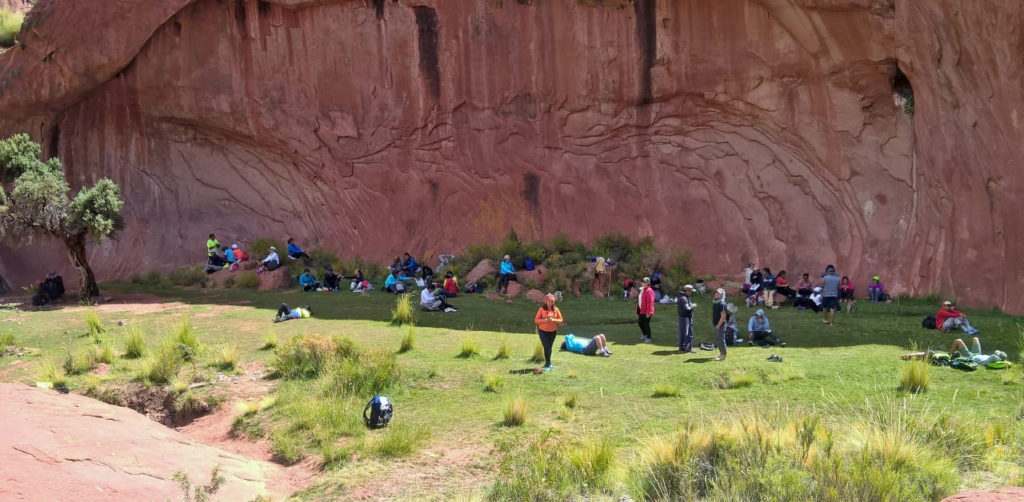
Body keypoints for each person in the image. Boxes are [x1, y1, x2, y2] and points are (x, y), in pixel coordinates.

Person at [534, 293, 564, 371]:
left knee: (549, 347)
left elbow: (561, 320)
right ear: (546, 301)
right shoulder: (541, 309)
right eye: (549, 301)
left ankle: (548, 363)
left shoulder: (556, 310)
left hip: (553, 332)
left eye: (552, 302)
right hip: (543, 332)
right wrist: (545, 320)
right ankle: (548, 363)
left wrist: (553, 320)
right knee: (546, 346)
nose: (550, 303)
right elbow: (536, 320)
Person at [677, 284, 697, 353]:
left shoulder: (683, 297)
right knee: (688, 333)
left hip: (682, 318)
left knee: (683, 332)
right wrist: (693, 306)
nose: (691, 293)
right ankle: (688, 348)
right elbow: (687, 309)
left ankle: (681, 347)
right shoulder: (684, 298)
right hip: (685, 318)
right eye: (690, 291)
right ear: (687, 291)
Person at [637, 277, 655, 343]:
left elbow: (650, 302)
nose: (643, 283)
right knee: (640, 322)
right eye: (642, 282)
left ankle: (649, 337)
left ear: (648, 283)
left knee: (646, 324)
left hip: (647, 311)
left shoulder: (649, 290)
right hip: (642, 310)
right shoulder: (643, 290)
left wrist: (649, 312)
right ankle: (645, 334)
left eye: (644, 282)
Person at [712, 288, 728, 361]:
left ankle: (724, 355)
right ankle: (721, 353)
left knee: (721, 340)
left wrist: (718, 326)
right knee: (717, 340)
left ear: (722, 295)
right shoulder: (716, 302)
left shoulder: (722, 304)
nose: (716, 294)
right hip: (715, 324)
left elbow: (723, 316)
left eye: (718, 293)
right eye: (716, 292)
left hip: (720, 325)